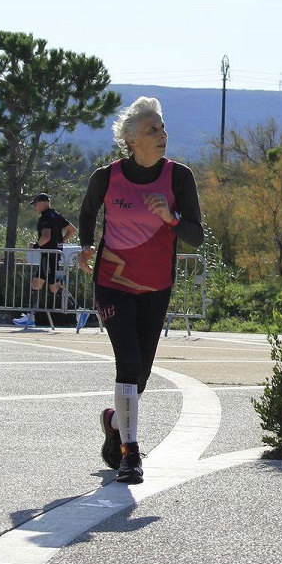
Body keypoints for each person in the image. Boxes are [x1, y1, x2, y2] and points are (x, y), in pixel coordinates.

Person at [78, 96, 203, 484]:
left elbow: (196, 236)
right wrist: (85, 244)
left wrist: (171, 217)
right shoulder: (107, 176)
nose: (162, 134)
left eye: (163, 127)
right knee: (128, 363)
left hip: (156, 287)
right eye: (153, 129)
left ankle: (115, 422)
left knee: (142, 373)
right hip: (112, 283)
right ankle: (131, 455)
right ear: (131, 140)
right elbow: (87, 210)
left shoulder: (179, 177)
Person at [14, 194, 76, 329]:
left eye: (35, 204)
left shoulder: (45, 217)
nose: (34, 207)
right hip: (52, 255)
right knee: (51, 286)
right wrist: (62, 240)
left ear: (42, 203)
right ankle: (31, 316)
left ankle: (79, 310)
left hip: (48, 255)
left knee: (42, 284)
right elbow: (72, 230)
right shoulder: (56, 215)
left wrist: (35, 246)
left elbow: (46, 236)